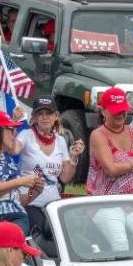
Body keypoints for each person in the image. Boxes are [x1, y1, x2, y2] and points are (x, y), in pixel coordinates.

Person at [87, 88, 133, 252]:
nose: (121, 114)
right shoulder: (98, 135)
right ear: (103, 111)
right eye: (116, 111)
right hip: (106, 202)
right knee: (120, 244)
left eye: (123, 110)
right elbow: (111, 169)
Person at [15, 98, 85, 255]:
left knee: (65, 240)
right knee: (42, 240)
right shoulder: (25, 135)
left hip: (52, 202)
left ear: (56, 116)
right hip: (29, 200)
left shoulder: (60, 141)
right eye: (40, 114)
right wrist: (13, 122)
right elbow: (12, 151)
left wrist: (74, 157)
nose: (45, 117)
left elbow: (66, 177)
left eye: (49, 113)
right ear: (33, 117)